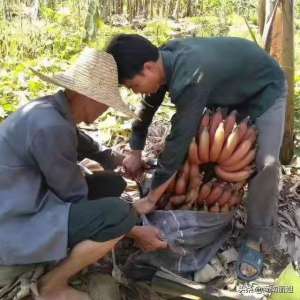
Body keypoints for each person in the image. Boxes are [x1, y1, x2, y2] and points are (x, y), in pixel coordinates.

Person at [106, 34, 287, 281]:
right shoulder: (162, 60)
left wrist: (150, 199)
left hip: (263, 89)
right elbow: (148, 107)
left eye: (133, 86)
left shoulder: (189, 77)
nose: (137, 92)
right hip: (221, 88)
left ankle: (258, 236)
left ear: (148, 68)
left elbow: (178, 141)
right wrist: (135, 150)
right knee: (202, 150)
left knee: (266, 164)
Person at [0, 48, 167, 300]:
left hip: (30, 195)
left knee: (111, 184)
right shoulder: (50, 126)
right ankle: (52, 287)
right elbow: (72, 194)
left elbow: (89, 146)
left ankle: (82, 246)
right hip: (15, 219)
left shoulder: (52, 110)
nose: (105, 109)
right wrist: (130, 226)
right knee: (117, 214)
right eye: (103, 101)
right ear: (82, 94)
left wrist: (122, 160)